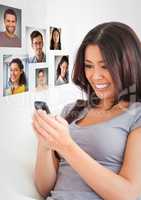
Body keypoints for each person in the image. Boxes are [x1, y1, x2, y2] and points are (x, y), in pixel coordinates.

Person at [32, 22, 141, 200]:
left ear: (129, 64)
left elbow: (128, 194)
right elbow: (44, 189)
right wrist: (45, 143)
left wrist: (67, 147)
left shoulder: (136, 115)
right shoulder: (73, 110)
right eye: (89, 65)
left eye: (105, 66)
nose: (95, 75)